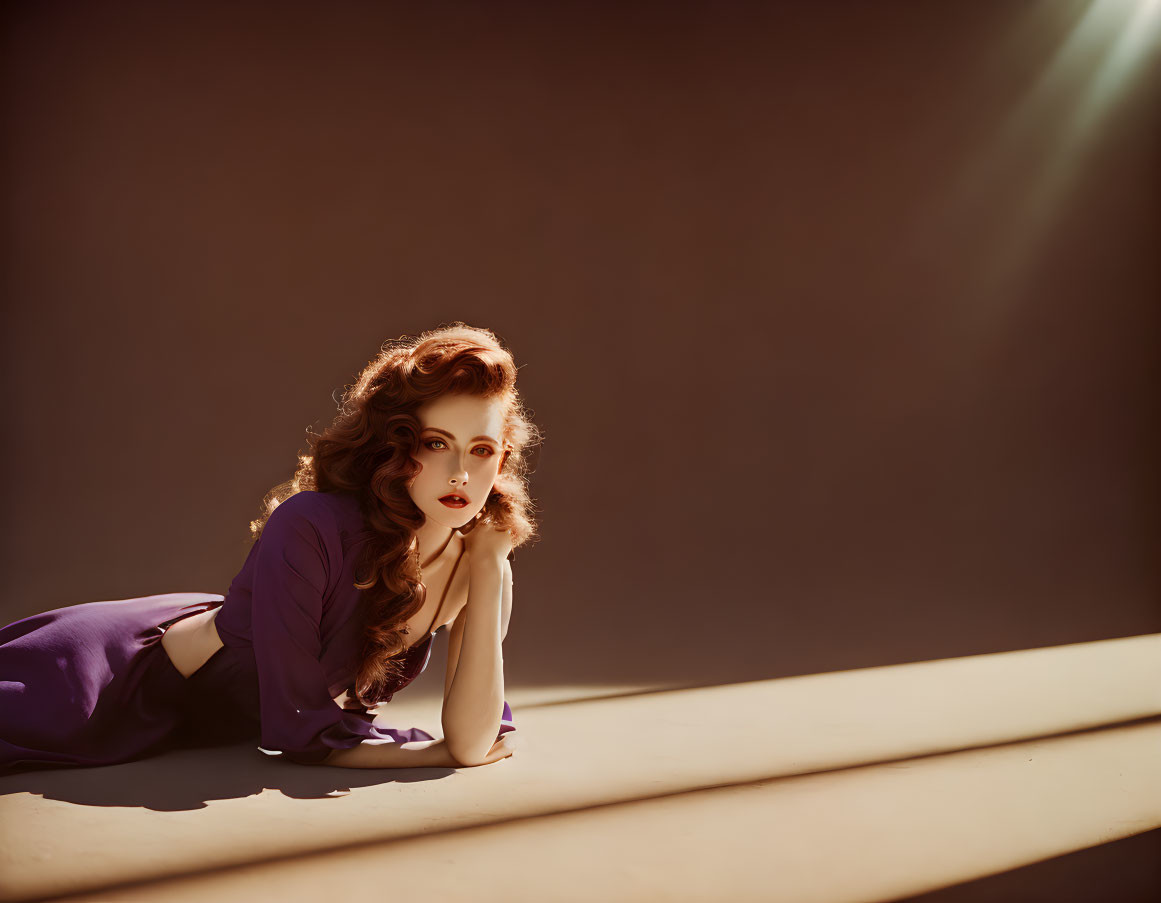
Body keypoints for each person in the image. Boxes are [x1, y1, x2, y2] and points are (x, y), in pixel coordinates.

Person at [0, 322, 542, 772]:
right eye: (436, 443)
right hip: (117, 685)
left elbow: (474, 742)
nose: (460, 473)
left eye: (482, 449)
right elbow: (299, 734)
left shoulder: (478, 558)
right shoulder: (309, 524)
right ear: (396, 444)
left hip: (210, 733)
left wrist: (492, 564)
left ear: (502, 459)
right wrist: (422, 755)